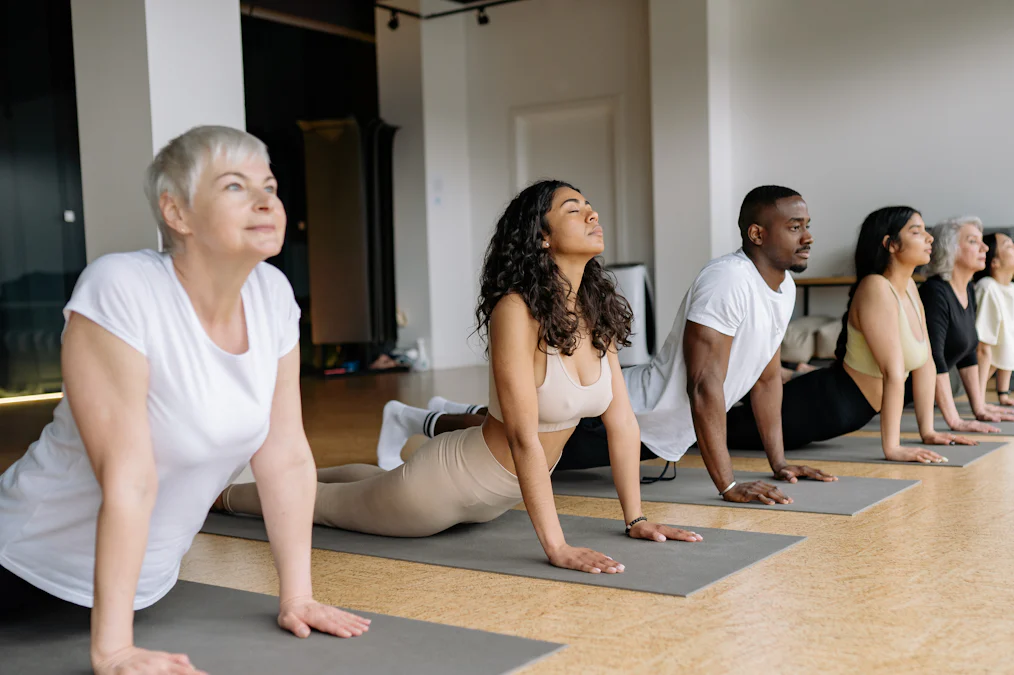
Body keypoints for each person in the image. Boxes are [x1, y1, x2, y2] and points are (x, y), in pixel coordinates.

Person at [0, 126, 367, 675]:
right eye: (236, 187)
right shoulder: (122, 287)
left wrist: (297, 597)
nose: (267, 200)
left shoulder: (272, 296)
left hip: (141, 592)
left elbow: (285, 454)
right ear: (177, 212)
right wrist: (114, 651)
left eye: (270, 185)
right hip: (22, 563)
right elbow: (129, 475)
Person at [216, 180, 701, 575]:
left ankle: (280, 474)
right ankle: (219, 496)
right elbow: (522, 436)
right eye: (574, 209)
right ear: (542, 237)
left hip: (489, 501)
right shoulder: (516, 310)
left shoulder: (594, 311)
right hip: (439, 491)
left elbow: (623, 425)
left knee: (363, 484)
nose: (593, 214)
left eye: (591, 206)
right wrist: (557, 546)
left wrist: (634, 518)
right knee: (318, 505)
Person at [403, 186, 837, 505]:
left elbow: (764, 377)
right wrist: (726, 485)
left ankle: (440, 409)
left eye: (807, 226)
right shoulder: (728, 281)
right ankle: (417, 418)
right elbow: (704, 385)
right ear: (758, 234)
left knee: (521, 423)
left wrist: (778, 462)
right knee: (505, 441)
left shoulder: (785, 289)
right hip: (629, 415)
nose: (808, 237)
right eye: (795, 227)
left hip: (655, 430)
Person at [725, 207, 974, 461]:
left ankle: (777, 375)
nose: (929, 237)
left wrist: (928, 431)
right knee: (711, 428)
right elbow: (894, 372)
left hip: (838, 411)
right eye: (916, 231)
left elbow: (926, 362)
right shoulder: (875, 287)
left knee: (726, 417)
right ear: (890, 244)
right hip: (817, 407)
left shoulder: (909, 287)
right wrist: (893, 448)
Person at [918, 216, 1014, 433]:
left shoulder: (968, 290)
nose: (985, 247)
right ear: (950, 249)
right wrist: (955, 421)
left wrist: (980, 407)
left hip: (922, 396)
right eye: (973, 241)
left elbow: (968, 353)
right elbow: (932, 358)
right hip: (891, 399)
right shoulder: (934, 292)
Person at [974, 233, 1014, 407]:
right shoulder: (987, 288)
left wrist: (1003, 395)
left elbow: (1009, 343)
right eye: (1009, 246)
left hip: (982, 374)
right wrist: (979, 404)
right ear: (994, 262)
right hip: (963, 376)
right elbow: (982, 349)